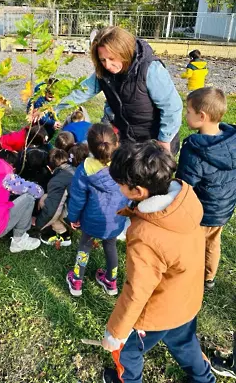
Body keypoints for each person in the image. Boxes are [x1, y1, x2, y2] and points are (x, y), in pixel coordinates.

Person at [102, 141, 215, 383]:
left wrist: (116, 332)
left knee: (128, 351)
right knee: (185, 342)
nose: (118, 188)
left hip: (157, 312)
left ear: (138, 191)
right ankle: (204, 379)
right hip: (187, 299)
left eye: (120, 185)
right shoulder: (185, 198)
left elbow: (137, 290)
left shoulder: (145, 235)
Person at [56, 26, 183, 154]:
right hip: (128, 139)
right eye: (102, 60)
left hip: (155, 140)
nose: (107, 65)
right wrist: (50, 106)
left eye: (111, 59)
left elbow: (172, 108)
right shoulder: (103, 72)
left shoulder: (150, 69)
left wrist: (164, 141)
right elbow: (80, 92)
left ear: (124, 52)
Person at [176, 87, 236, 289]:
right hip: (224, 208)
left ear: (201, 116)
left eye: (188, 111)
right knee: (213, 242)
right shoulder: (232, 139)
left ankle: (189, 277)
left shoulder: (195, 149)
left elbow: (185, 185)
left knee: (193, 245)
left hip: (201, 211)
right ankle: (209, 277)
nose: (186, 115)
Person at [66, 124, 128, 297]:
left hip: (91, 219)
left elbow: (77, 197)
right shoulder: (124, 166)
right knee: (110, 246)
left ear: (90, 147)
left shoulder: (84, 169)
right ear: (116, 143)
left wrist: (73, 217)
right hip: (115, 219)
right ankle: (111, 280)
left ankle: (77, 280)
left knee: (85, 245)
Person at [37, 149, 76, 246]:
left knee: (45, 200)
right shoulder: (75, 169)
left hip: (80, 220)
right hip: (92, 214)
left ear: (49, 168)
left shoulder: (57, 181)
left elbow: (52, 210)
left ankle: (64, 235)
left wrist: (38, 225)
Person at [15, 125, 52, 191]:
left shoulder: (23, 152)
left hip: (23, 179)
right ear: (44, 140)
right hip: (39, 182)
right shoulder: (45, 153)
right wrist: (47, 143)